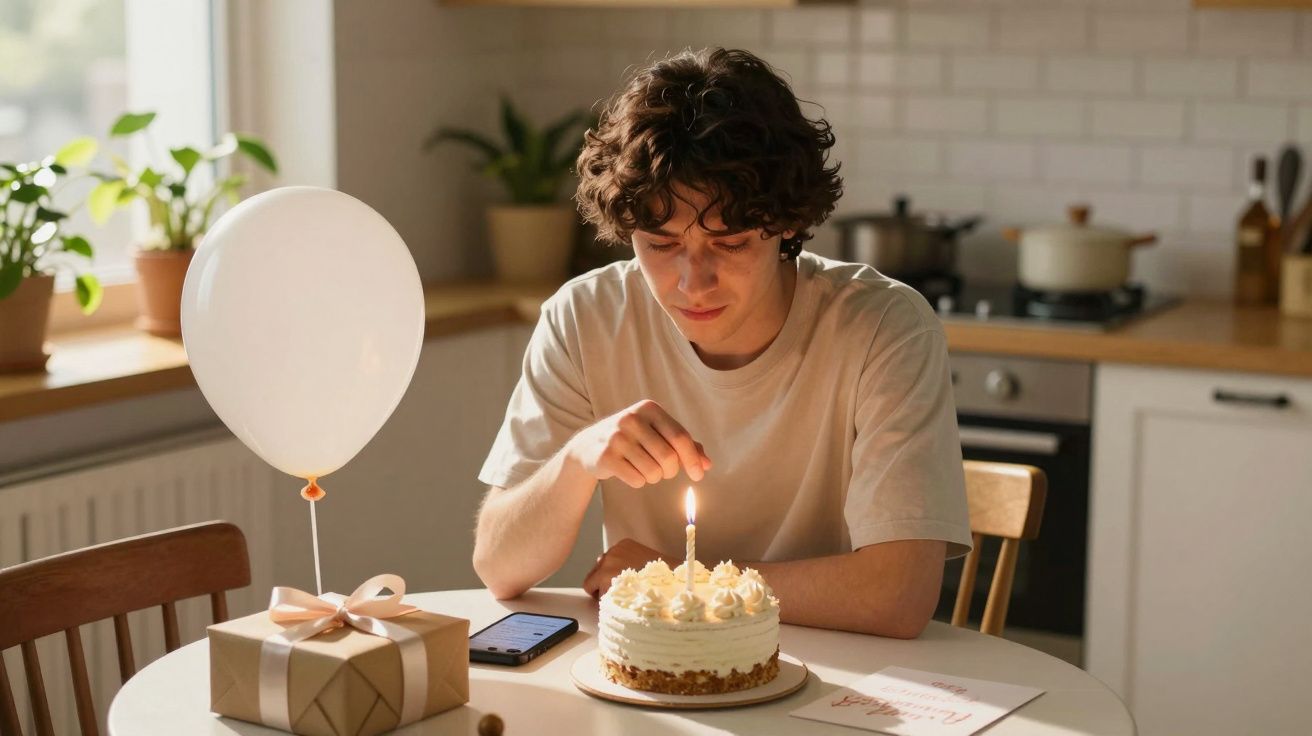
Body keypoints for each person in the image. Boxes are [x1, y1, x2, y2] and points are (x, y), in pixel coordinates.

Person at [473, 48, 971, 638]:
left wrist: (683, 582)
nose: (691, 283)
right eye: (660, 244)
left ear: (786, 223)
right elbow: (499, 567)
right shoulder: (585, 316)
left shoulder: (882, 327)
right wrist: (580, 459)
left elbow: (897, 596)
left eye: (729, 243)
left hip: (837, 676)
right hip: (653, 677)